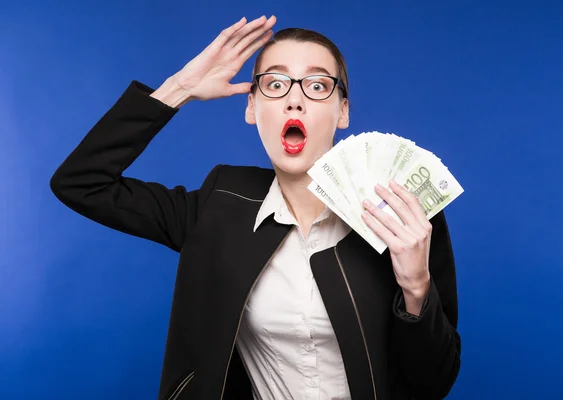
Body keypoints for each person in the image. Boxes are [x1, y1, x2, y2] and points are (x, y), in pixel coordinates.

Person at [50, 15, 461, 400]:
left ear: (343, 111)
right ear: (251, 106)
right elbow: (81, 182)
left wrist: (416, 288)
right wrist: (178, 89)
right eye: (276, 84)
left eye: (317, 86)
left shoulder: (403, 214)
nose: (295, 101)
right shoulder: (218, 206)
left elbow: (433, 382)